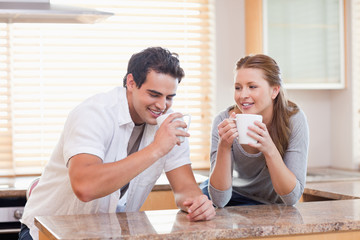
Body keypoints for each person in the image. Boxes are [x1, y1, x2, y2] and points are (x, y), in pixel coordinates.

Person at [19, 47, 216, 240]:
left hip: (104, 234)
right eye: (154, 95)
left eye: (169, 97)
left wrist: (198, 203)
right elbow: (85, 187)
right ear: (131, 82)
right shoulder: (93, 113)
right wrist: (156, 148)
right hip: (46, 232)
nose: (162, 106)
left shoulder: (167, 125)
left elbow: (185, 189)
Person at [200, 54, 309, 207]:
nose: (243, 95)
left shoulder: (293, 120)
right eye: (238, 87)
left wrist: (270, 149)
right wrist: (224, 146)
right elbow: (219, 200)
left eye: (252, 87)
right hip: (229, 197)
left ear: (274, 91)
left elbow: (291, 198)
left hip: (267, 204)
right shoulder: (223, 121)